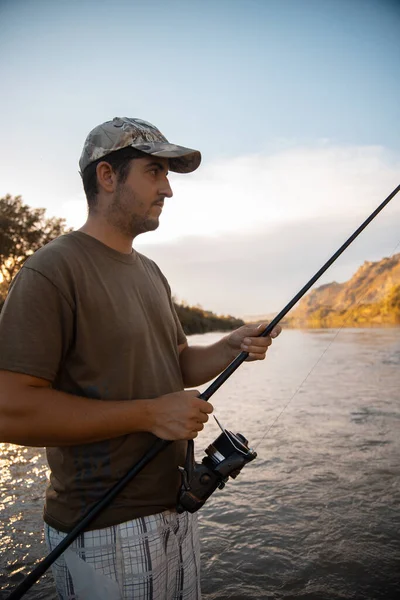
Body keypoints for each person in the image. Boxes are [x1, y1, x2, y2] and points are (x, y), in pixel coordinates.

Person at [0, 117, 281, 600]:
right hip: (102, 525)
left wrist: (230, 345)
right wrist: (150, 414)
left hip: (177, 510)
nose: (168, 189)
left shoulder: (151, 272)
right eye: (155, 171)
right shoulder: (52, 269)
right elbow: (9, 410)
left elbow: (178, 363)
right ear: (107, 176)